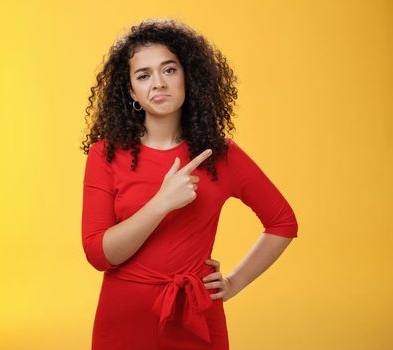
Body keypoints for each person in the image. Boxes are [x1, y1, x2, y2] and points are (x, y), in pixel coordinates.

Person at [80, 18, 298, 350]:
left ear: (187, 77)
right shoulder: (105, 155)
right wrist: (161, 202)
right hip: (124, 319)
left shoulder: (221, 155)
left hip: (196, 316)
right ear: (131, 92)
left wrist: (233, 283)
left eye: (169, 70)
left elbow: (283, 222)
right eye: (143, 75)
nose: (158, 83)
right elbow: (99, 255)